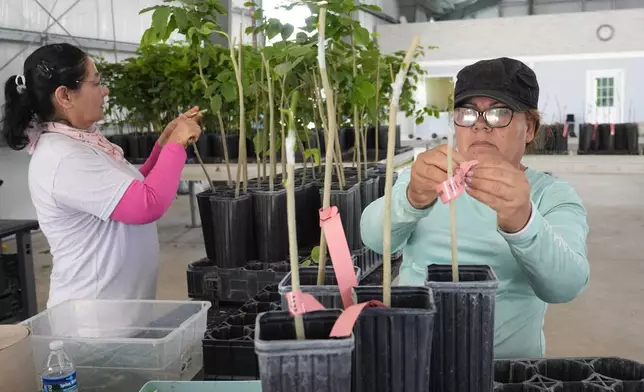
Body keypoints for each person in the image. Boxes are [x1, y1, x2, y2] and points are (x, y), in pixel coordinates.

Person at [360, 57, 590, 358]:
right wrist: (412, 198)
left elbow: (566, 285)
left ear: (529, 127)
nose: (480, 126)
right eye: (467, 113)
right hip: (416, 361)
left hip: (506, 371)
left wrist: (524, 222)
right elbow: (374, 238)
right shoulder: (429, 177)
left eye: (499, 113)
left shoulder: (550, 195)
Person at [2, 43, 203, 309]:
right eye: (96, 83)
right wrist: (177, 145)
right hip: (94, 322)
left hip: (118, 315)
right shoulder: (64, 158)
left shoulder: (82, 142)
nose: (105, 91)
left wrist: (164, 146)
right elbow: (146, 204)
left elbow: (127, 190)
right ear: (65, 96)